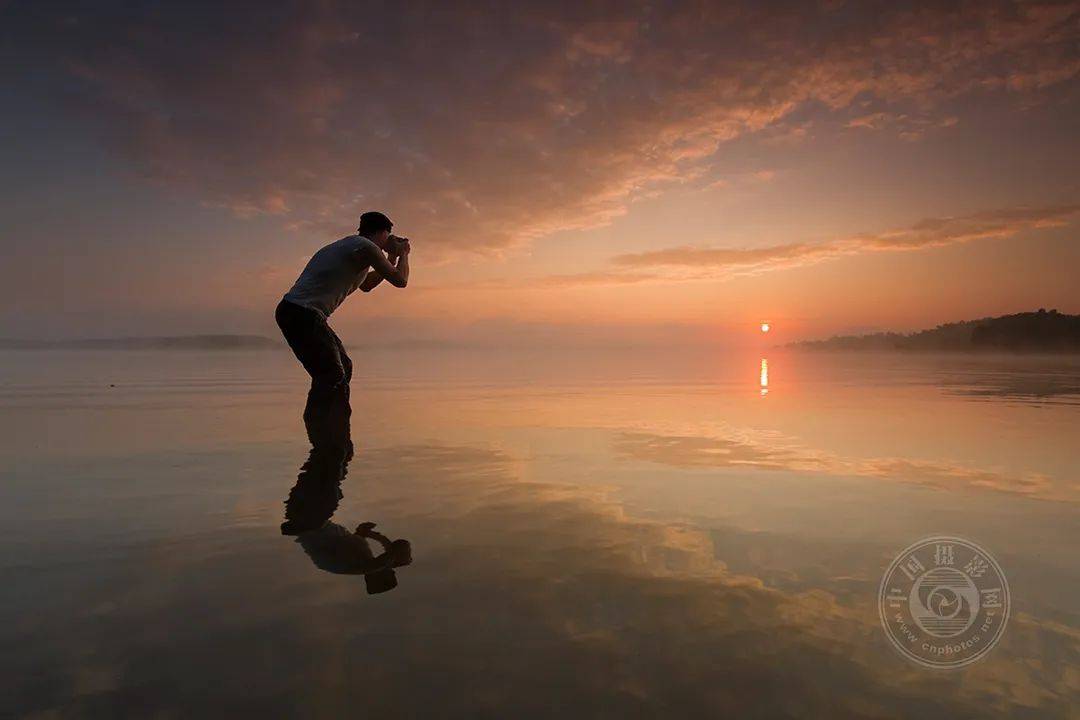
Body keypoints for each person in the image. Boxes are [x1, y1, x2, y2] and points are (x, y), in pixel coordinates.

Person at [275, 211, 410, 402]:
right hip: (301, 313)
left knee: (343, 368)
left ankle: (328, 424)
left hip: (300, 312)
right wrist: (403, 253)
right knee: (332, 376)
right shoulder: (366, 247)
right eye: (389, 236)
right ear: (383, 232)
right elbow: (400, 280)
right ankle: (325, 424)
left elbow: (366, 285)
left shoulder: (355, 247)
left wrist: (391, 258)